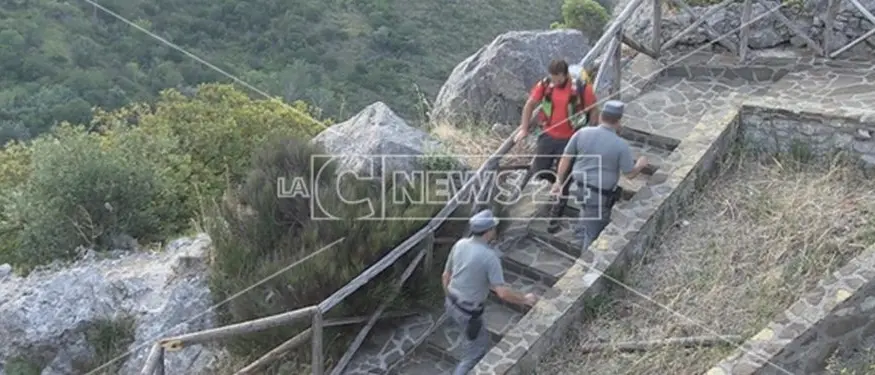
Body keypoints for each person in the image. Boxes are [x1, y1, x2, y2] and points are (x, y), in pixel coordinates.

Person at [442, 209, 538, 375]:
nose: (495, 230)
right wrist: (525, 299)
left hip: (450, 303)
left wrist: (450, 297)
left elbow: (446, 276)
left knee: (467, 338)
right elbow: (502, 293)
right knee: (475, 353)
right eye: (493, 227)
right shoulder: (489, 257)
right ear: (488, 232)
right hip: (469, 312)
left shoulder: (460, 244)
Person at [513, 59, 599, 233]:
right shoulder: (545, 84)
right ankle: (555, 183)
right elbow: (530, 104)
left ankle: (555, 217)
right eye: (552, 78)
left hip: (570, 139)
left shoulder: (582, 88)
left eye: (557, 79)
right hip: (548, 135)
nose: (554, 82)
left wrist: (589, 133)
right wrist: (524, 128)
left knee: (564, 179)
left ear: (565, 74)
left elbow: (594, 110)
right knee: (539, 169)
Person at [551, 100, 648, 253]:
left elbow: (566, 158)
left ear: (602, 116)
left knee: (586, 210)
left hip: (579, 187)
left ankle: (581, 232)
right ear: (619, 120)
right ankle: (583, 266)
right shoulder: (621, 145)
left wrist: (558, 181)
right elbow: (629, 174)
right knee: (593, 235)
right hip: (599, 195)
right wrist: (640, 165)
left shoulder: (582, 133)